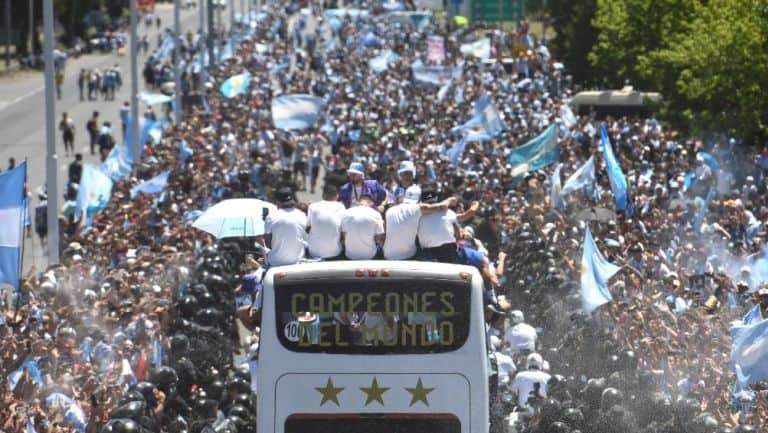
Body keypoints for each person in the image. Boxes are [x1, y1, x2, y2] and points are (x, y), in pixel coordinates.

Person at [383, 196, 457, 260]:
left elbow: (384, 234)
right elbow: (442, 207)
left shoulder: (389, 211)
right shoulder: (417, 208)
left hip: (388, 256)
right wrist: (450, 200)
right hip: (408, 256)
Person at [262, 187, 308, 266]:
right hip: (297, 261)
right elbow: (305, 238)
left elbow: (268, 244)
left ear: (277, 202)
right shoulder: (302, 215)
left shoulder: (270, 217)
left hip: (275, 262)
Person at [417, 184, 461, 263]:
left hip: (428, 253)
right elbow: (458, 235)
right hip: (448, 252)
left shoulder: (418, 215)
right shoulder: (449, 212)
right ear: (437, 198)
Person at [340, 194, 385, 260]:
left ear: (357, 202)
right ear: (371, 203)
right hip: (370, 255)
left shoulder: (346, 213)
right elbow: (378, 238)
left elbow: (344, 236)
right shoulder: (376, 214)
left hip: (350, 255)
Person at [306, 184, 346, 260]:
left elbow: (307, 228)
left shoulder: (313, 206)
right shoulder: (341, 207)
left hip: (314, 252)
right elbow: (343, 230)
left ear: (323, 195)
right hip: (335, 252)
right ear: (337, 196)